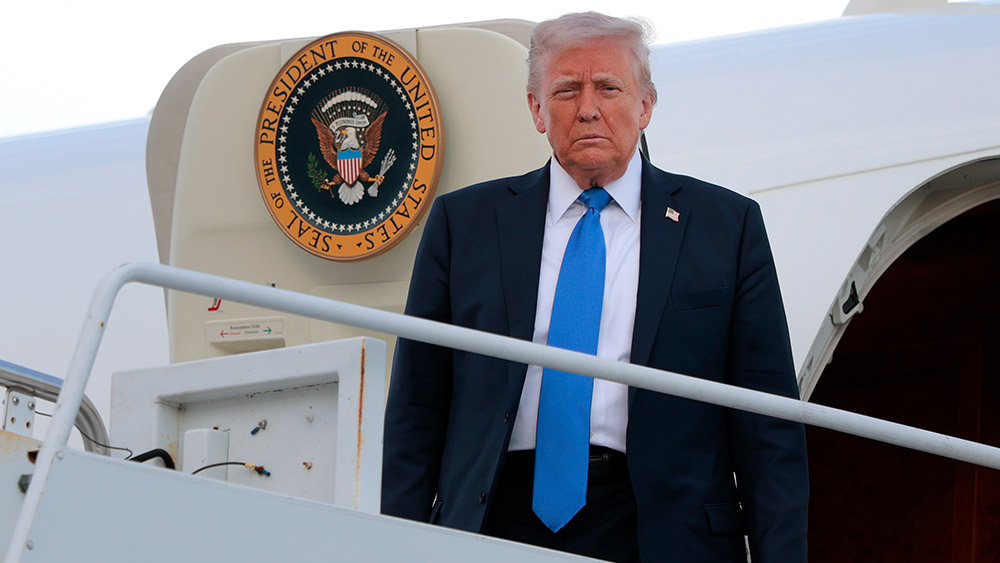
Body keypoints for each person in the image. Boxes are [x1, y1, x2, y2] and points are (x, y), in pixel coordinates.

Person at [381, 11, 808, 562]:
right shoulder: (463, 224)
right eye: (566, 90)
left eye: (608, 87)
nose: (588, 108)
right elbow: (416, 408)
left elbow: (768, 424)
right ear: (536, 109)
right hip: (493, 520)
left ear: (645, 105)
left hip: (659, 529)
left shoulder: (725, 226)